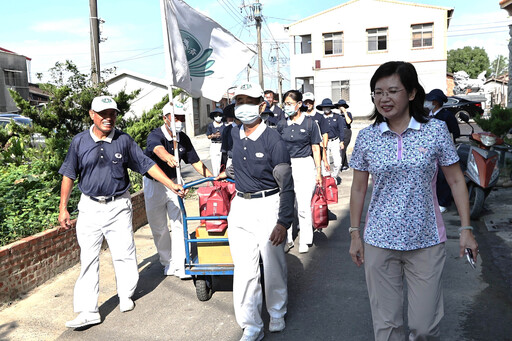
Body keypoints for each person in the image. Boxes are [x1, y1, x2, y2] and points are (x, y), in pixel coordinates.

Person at [348, 61, 478, 341]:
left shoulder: (434, 131)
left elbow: (456, 181)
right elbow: (358, 189)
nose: (384, 98)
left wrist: (466, 229)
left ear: (411, 93)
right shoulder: (367, 137)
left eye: (393, 90)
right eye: (378, 92)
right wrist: (354, 233)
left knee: (424, 327)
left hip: (426, 241)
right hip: (379, 241)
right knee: (387, 326)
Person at [58, 96, 185, 329]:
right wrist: (63, 208)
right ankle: (88, 310)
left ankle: (125, 294)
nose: (108, 118)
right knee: (88, 258)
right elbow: (68, 174)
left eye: (112, 113)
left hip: (119, 205)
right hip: (90, 207)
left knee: (124, 252)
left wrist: (170, 183)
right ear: (91, 114)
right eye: (103, 113)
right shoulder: (79, 142)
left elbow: (146, 164)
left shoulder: (123, 140)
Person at [217, 82, 295, 341]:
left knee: (272, 264)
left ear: (262, 105)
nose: (243, 106)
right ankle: (251, 324)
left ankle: (276, 312)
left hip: (268, 205)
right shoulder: (231, 134)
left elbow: (286, 185)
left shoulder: (274, 140)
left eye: (249, 101)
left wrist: (283, 222)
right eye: (239, 101)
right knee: (245, 268)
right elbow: (231, 164)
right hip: (240, 206)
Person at [143, 102, 213, 279]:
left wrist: (213, 179)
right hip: (155, 185)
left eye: (181, 118)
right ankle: (168, 262)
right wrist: (167, 157)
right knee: (159, 227)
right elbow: (156, 148)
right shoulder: (155, 135)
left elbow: (195, 162)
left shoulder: (183, 138)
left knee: (179, 222)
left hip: (175, 183)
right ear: (165, 118)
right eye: (175, 118)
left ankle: (181, 262)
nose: (179, 121)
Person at [277, 90, 322, 254]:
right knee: (286, 204)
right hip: (286, 166)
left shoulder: (310, 123)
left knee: (303, 206)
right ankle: (287, 238)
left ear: (299, 104)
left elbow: (316, 148)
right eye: (285, 104)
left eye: (290, 103)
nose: (287, 107)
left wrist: (319, 172)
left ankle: (305, 239)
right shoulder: (282, 124)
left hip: (304, 165)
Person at [425, 89, 461, 213]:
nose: (426, 103)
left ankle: (444, 202)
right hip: (427, 151)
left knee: (443, 176)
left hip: (443, 151)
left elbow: (455, 133)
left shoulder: (446, 116)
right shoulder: (427, 115)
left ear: (435, 102)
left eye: (428, 100)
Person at [316, 98, 345, 181]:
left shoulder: (337, 117)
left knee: (338, 162)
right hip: (323, 142)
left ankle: (334, 176)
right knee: (325, 162)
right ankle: (327, 180)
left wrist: (342, 141)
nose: (326, 109)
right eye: (324, 107)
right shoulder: (320, 118)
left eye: (328, 107)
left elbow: (341, 130)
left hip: (335, 141)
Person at [302, 92, 330, 171]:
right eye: (306, 102)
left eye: (310, 102)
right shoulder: (300, 117)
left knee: (318, 172)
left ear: (314, 102)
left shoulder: (320, 117)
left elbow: (324, 134)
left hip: (318, 149)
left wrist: (324, 148)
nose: (308, 104)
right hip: (304, 151)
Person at [334, 99, 353, 171]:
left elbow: (348, 122)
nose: (341, 108)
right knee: (341, 148)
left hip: (346, 131)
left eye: (342, 106)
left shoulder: (348, 114)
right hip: (339, 132)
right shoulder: (337, 116)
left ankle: (340, 165)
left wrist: (345, 112)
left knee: (343, 148)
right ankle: (345, 165)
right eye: (340, 106)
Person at [206, 107, 225, 176]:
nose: (218, 117)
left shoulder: (224, 125)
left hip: (222, 145)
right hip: (214, 145)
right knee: (215, 163)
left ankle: (222, 177)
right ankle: (216, 177)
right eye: (216, 115)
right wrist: (213, 136)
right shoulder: (211, 125)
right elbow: (208, 136)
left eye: (219, 115)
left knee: (223, 162)